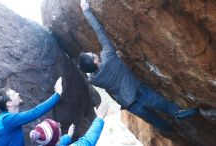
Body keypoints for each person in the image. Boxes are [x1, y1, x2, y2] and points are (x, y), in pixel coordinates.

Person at [78, 0, 198, 133]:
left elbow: (89, 72)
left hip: (130, 105)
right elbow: (99, 30)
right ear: (95, 60)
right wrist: (86, 10)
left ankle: (168, 130)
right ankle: (178, 112)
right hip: (139, 91)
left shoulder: (94, 79)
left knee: (155, 121)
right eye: (91, 54)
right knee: (162, 103)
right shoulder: (108, 55)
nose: (91, 52)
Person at [0, 77, 63, 146]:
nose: (18, 94)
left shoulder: (4, 120)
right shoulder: (7, 120)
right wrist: (57, 95)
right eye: (13, 94)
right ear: (9, 103)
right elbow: (34, 112)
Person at [29, 100, 109, 146]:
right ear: (58, 137)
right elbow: (87, 142)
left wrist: (68, 136)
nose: (59, 124)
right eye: (57, 126)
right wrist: (99, 118)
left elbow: (57, 143)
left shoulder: (45, 143)